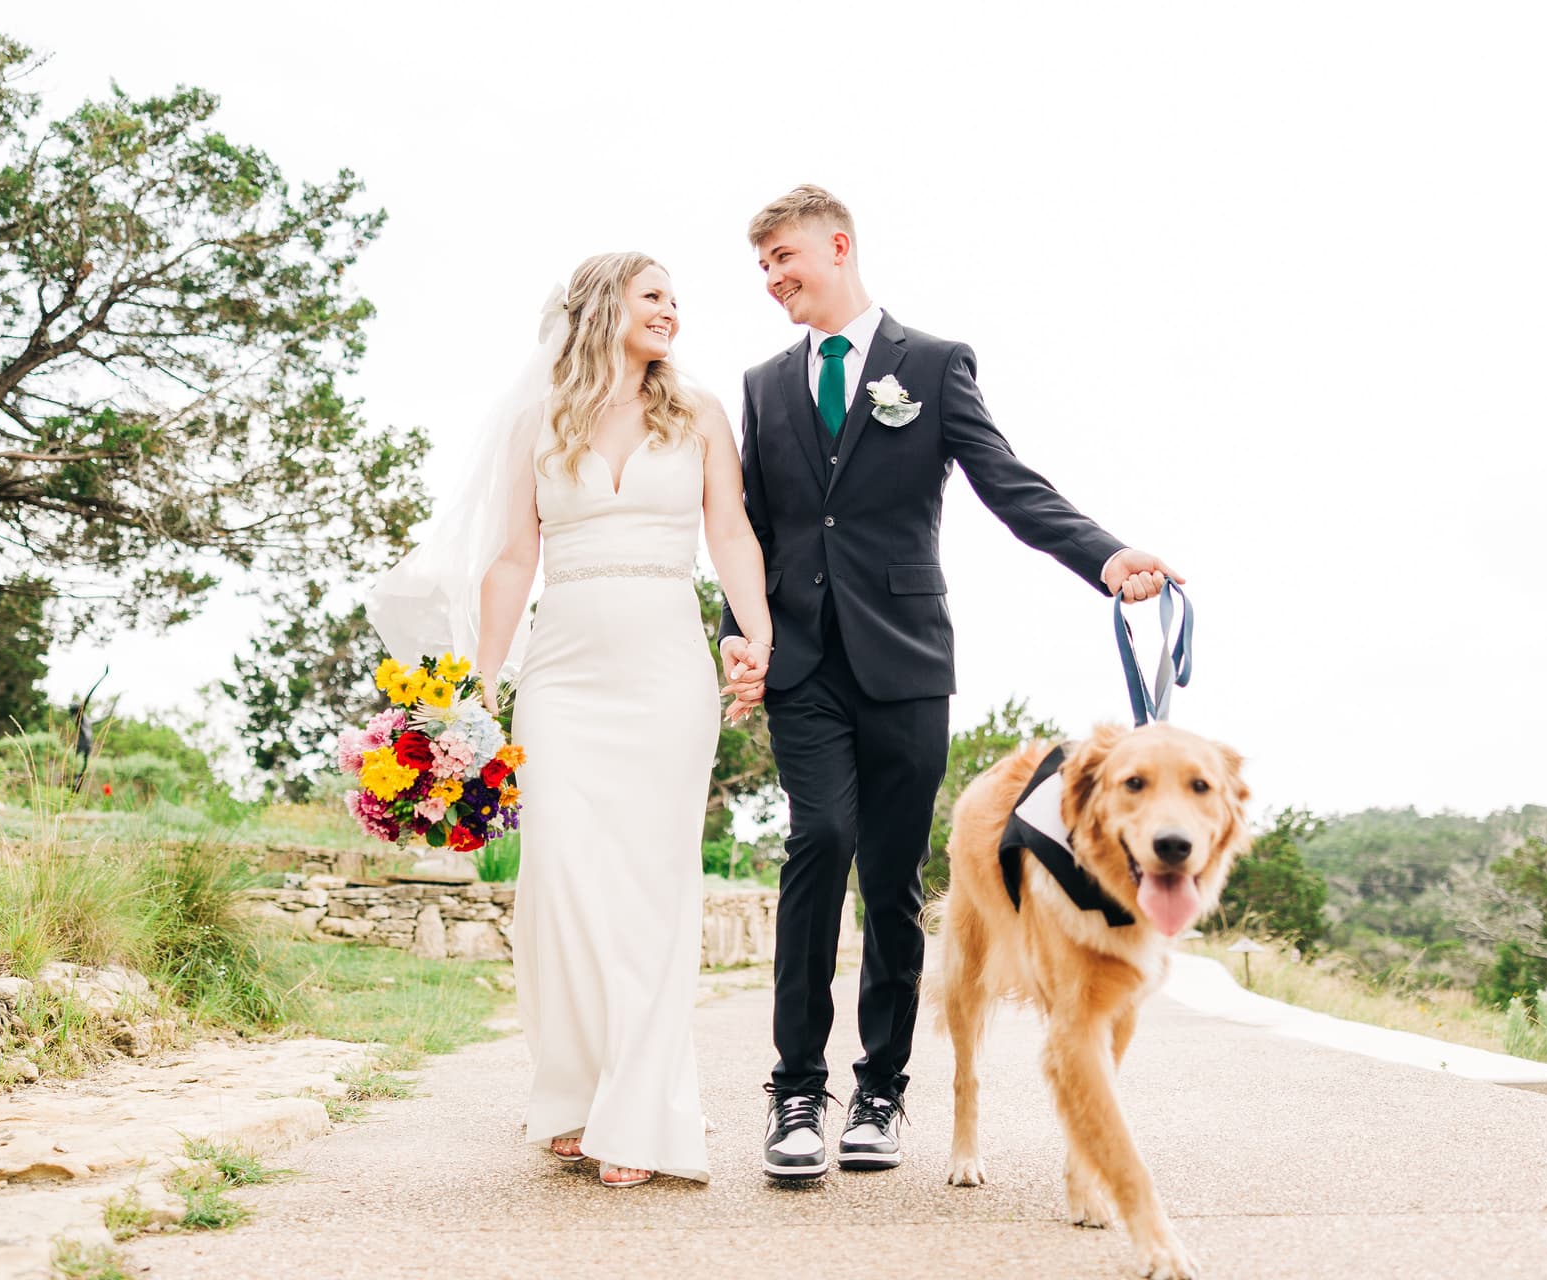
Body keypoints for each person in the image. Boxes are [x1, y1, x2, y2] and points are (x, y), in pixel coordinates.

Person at [717, 186, 1179, 1181]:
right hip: (802, 659)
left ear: (838, 246)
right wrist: (739, 633)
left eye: (783, 258)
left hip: (906, 659)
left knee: (890, 873)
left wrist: (1105, 556)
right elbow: (744, 525)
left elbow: (1006, 482)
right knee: (819, 838)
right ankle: (795, 1091)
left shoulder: (931, 364)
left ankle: (880, 1089)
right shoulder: (761, 385)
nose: (772, 279)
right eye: (761, 267)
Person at [371, 252, 772, 1187]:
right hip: (563, 675)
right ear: (602, 309)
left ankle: (637, 1115)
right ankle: (573, 1093)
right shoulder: (539, 421)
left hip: (669, 671)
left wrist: (760, 636)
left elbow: (732, 533)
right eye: (653, 296)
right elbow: (512, 562)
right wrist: (474, 690)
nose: (673, 310)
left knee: (651, 885)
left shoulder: (701, 414)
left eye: (676, 298)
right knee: (562, 880)